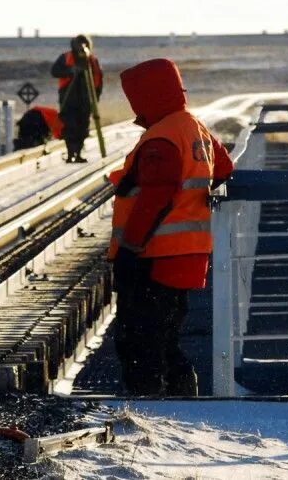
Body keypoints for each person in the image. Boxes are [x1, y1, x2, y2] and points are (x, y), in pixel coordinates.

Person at [107, 58, 234, 396]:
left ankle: (149, 404)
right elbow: (223, 167)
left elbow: (155, 199)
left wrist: (130, 250)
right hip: (188, 253)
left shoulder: (161, 138)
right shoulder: (194, 127)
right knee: (164, 334)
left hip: (155, 256)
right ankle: (180, 395)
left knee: (138, 338)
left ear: (147, 97)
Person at [50, 34, 102, 163]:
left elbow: (99, 80)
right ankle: (70, 154)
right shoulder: (66, 57)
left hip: (86, 99)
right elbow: (54, 71)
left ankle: (77, 154)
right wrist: (71, 71)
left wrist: (96, 98)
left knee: (82, 127)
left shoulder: (92, 60)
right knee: (69, 126)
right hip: (68, 98)